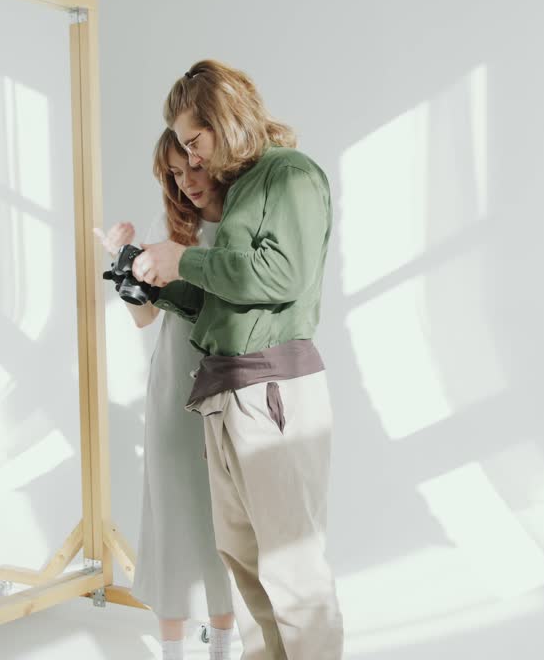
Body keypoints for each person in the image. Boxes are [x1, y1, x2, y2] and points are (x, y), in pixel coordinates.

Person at [132, 60, 344, 659]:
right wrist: (157, 279)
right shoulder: (247, 187)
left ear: (226, 117)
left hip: (271, 389)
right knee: (250, 575)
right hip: (229, 391)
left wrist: (184, 260)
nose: (192, 162)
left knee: (293, 575)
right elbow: (223, 300)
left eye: (195, 142)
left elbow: (280, 274)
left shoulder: (290, 174)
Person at [97, 129, 238, 660]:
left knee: (222, 518)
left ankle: (223, 646)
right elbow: (143, 318)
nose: (188, 183)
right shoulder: (168, 226)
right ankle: (173, 651)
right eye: (176, 175)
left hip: (228, 381)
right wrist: (122, 264)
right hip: (173, 383)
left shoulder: (239, 221)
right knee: (171, 514)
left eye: (193, 168)